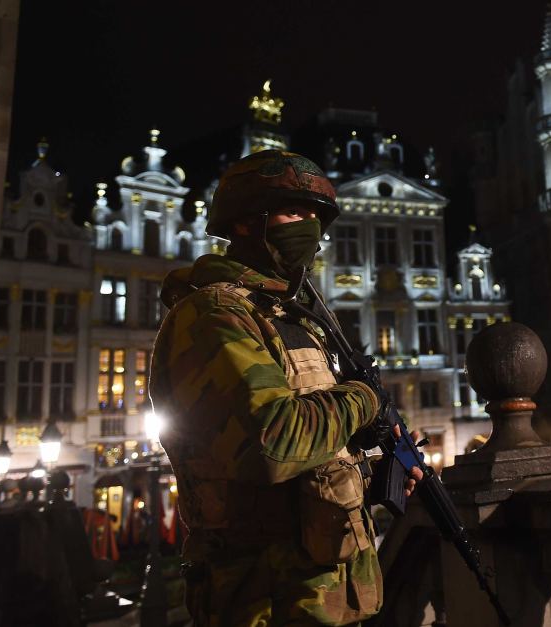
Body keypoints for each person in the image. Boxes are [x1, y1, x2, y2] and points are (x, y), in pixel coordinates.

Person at [149, 149, 421, 626]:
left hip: (326, 600)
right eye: (295, 211)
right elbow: (275, 442)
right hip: (263, 603)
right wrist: (365, 397)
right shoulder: (215, 314)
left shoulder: (290, 317)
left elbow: (309, 461)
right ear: (245, 223)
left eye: (317, 215)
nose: (311, 226)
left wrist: (372, 474)